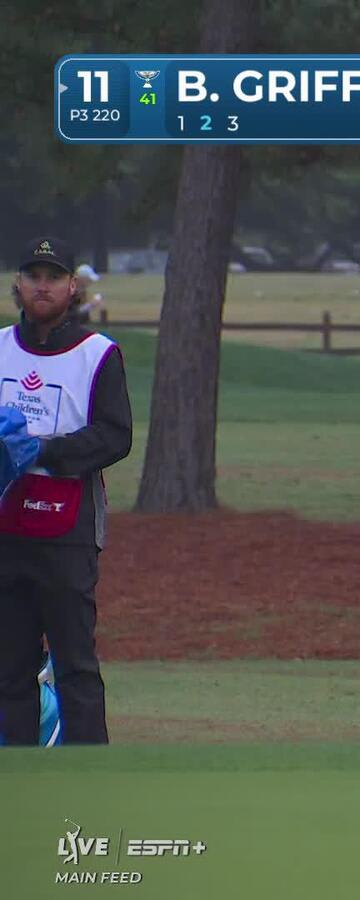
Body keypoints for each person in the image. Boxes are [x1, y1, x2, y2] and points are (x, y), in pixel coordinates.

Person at [0, 237, 133, 746]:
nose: (42, 286)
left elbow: (115, 436)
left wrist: (43, 451)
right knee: (9, 668)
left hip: (67, 531)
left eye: (53, 277)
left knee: (75, 665)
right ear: (18, 284)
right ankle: (17, 776)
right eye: (33, 275)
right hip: (7, 531)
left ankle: (89, 776)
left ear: (71, 287)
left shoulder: (97, 355)